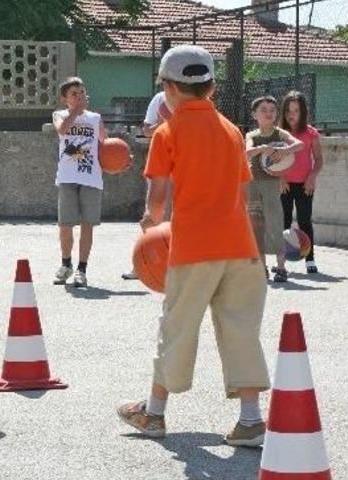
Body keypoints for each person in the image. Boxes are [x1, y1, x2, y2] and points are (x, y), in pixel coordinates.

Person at [116, 45, 271, 447]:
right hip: (240, 245)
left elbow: (157, 195)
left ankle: (154, 413)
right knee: (241, 329)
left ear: (167, 88)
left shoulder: (167, 132)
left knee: (178, 327)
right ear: (213, 88)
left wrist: (150, 224)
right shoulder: (233, 131)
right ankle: (251, 420)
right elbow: (241, 194)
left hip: (193, 246)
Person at [52, 77, 108, 287]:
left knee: (87, 225)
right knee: (65, 224)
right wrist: (75, 111)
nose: (80, 96)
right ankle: (66, 264)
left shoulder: (95, 118)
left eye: (82, 92)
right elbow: (62, 130)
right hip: (67, 177)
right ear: (65, 99)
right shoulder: (61, 115)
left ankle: (81, 269)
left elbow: (105, 144)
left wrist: (119, 160)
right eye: (74, 94)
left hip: (91, 178)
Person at [246, 96, 302, 283]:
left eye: (272, 110)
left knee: (275, 224)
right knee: (256, 226)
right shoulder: (252, 135)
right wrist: (262, 148)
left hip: (271, 185)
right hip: (253, 184)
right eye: (263, 110)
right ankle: (261, 268)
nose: (269, 113)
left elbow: (299, 144)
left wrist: (286, 150)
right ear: (254, 114)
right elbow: (246, 152)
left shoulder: (279, 134)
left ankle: (281, 267)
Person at [122, 91, 174, 281]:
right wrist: (163, 123)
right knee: (151, 217)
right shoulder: (160, 99)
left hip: (187, 164)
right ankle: (144, 264)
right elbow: (147, 130)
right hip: (162, 162)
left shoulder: (197, 100)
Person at [279, 90, 324, 274]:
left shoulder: (311, 133)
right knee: (284, 222)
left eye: (296, 110)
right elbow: (272, 160)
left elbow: (319, 159)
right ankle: (281, 260)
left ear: (302, 111)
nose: (292, 114)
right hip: (285, 184)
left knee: (305, 221)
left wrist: (312, 177)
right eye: (288, 110)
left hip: (305, 185)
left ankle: (310, 258)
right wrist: (280, 177)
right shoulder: (279, 134)